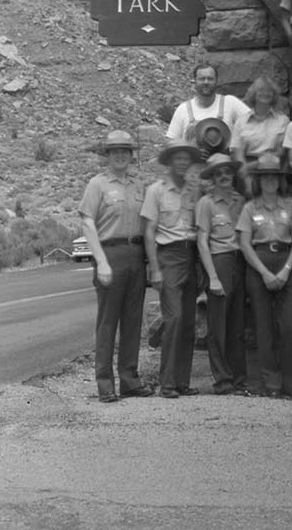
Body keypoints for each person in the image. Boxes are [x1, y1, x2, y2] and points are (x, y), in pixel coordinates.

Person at [77, 129, 151, 403]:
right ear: (107, 155)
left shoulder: (138, 185)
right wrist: (101, 261)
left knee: (133, 322)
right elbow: (87, 223)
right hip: (111, 254)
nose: (120, 155)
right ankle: (105, 384)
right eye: (114, 151)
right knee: (108, 322)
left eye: (125, 151)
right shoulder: (97, 185)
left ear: (131, 155)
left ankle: (130, 380)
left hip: (136, 253)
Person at [237, 154, 292, 398]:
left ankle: (291, 384)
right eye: (265, 177)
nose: (269, 181)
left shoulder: (290, 206)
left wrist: (286, 270)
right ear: (258, 180)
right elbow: (245, 244)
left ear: (280, 180)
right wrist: (264, 272)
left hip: (286, 263)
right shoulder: (249, 207)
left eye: (274, 177)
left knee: (289, 326)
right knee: (263, 328)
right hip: (259, 266)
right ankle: (271, 384)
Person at [141, 137, 202, 398]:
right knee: (173, 318)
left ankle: (182, 382)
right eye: (177, 158)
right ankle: (166, 383)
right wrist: (154, 268)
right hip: (169, 256)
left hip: (192, 255)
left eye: (186, 159)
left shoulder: (193, 190)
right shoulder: (156, 190)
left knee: (189, 321)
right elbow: (149, 231)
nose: (182, 162)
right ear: (169, 162)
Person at [195, 153, 249, 396]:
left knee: (238, 324)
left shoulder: (241, 201)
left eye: (227, 172)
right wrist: (213, 277)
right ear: (213, 178)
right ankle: (222, 379)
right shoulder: (206, 203)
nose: (224, 176)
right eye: (218, 173)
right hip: (219, 261)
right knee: (218, 325)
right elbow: (202, 242)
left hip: (240, 262)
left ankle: (239, 378)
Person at [166, 62, 250, 146]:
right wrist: (189, 147)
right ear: (195, 81)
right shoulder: (183, 109)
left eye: (210, 79)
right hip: (193, 158)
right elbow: (170, 142)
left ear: (216, 81)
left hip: (223, 158)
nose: (206, 82)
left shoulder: (230, 102)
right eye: (202, 79)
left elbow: (255, 124)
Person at [230, 76, 290, 172]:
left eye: (269, 91)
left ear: (274, 95)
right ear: (253, 94)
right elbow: (238, 152)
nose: (265, 93)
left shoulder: (283, 121)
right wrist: (245, 172)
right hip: (246, 168)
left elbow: (283, 152)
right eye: (261, 90)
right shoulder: (241, 121)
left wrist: (259, 163)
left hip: (273, 170)